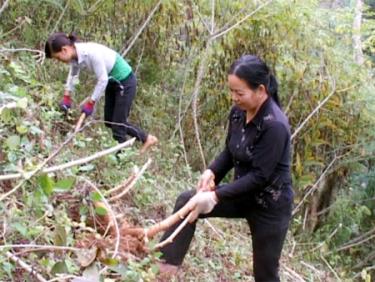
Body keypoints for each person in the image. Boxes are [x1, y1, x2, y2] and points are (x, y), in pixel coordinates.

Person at [158, 55, 294, 282]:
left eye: (239, 93)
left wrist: (215, 196)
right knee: (187, 201)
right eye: (231, 91)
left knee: (265, 274)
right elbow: (232, 151)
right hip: (241, 193)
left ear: (260, 90)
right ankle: (163, 270)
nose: (234, 98)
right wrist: (212, 171)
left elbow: (260, 177)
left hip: (270, 205)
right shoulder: (238, 113)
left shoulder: (275, 125)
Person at [44, 32, 158, 153]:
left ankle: (122, 160)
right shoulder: (75, 56)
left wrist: (91, 103)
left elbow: (102, 79)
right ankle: (146, 138)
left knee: (118, 125)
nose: (58, 60)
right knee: (109, 120)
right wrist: (67, 95)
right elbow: (73, 74)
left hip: (125, 81)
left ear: (64, 50)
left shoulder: (91, 53)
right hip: (112, 81)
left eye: (57, 57)